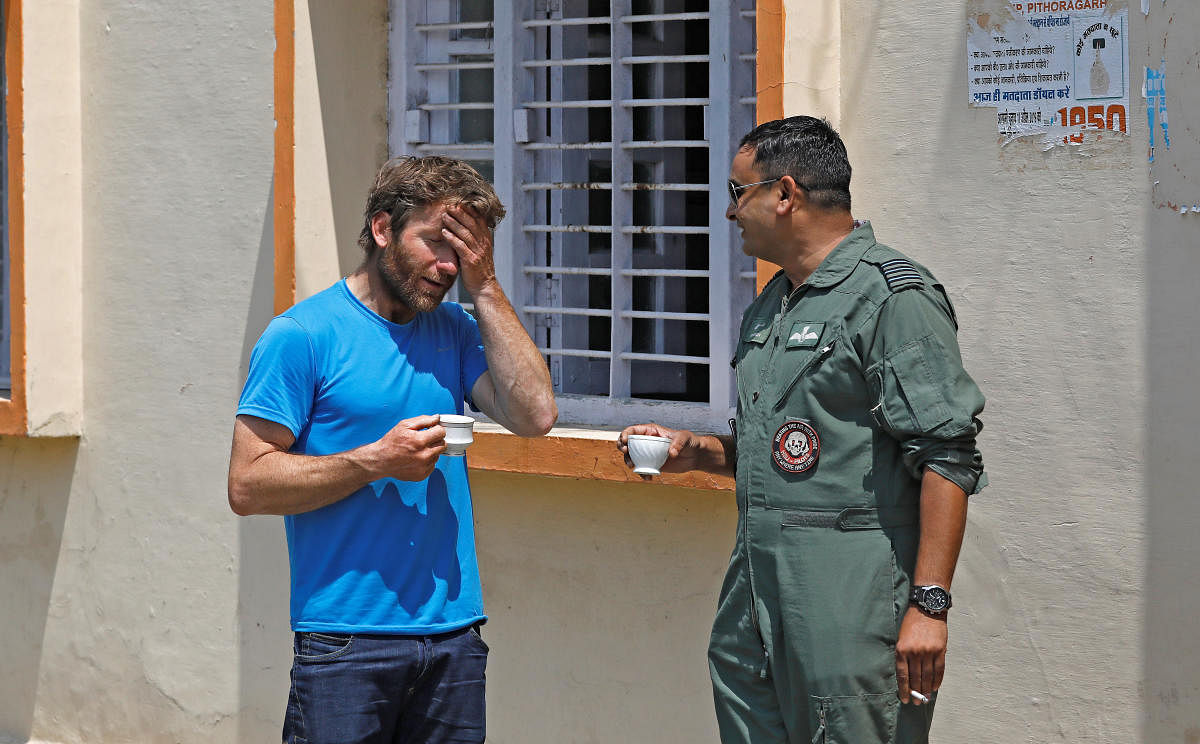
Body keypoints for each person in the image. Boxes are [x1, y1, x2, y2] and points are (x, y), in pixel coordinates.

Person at [618, 116, 986, 744]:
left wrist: (929, 606)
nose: (730, 213)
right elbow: (790, 446)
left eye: (738, 193)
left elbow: (946, 456)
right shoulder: (776, 301)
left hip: (847, 590)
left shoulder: (892, 297)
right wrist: (698, 453)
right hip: (758, 587)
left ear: (784, 194)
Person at [228, 155, 557, 744]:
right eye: (436, 241)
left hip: (454, 636)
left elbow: (535, 415)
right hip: (345, 643)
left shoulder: (456, 329)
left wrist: (486, 286)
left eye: (465, 249)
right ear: (382, 230)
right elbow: (248, 485)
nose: (447, 264)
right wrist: (373, 460)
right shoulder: (302, 337)